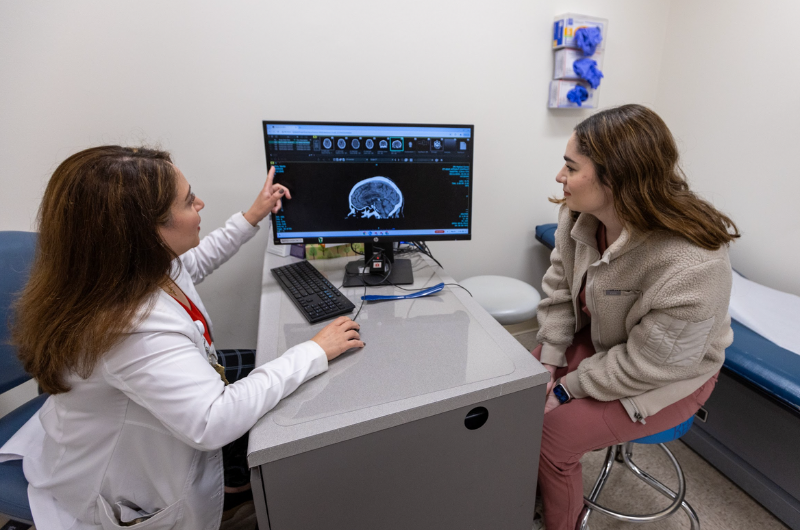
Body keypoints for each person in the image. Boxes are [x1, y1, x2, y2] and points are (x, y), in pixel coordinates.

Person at [0, 146, 364, 529]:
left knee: (263, 365)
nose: (200, 204)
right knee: (285, 378)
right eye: (189, 201)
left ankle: (235, 479)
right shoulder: (128, 328)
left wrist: (253, 215)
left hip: (112, 418)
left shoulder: (125, 266)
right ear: (145, 230)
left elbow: (194, 263)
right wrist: (314, 350)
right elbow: (213, 420)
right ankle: (241, 491)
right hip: (116, 479)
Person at [532, 105, 739, 530]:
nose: (559, 176)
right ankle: (526, 487)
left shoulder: (694, 263)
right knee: (520, 394)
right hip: (608, 340)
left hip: (670, 372)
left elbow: (652, 364)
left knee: (553, 437)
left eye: (571, 166)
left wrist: (567, 388)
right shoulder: (578, 214)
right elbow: (560, 287)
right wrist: (550, 357)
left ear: (616, 178)